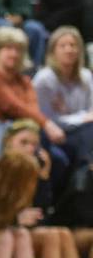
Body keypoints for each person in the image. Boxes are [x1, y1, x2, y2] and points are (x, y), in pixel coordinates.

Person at [2, 119, 88, 258]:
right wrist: (15, 219)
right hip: (7, 232)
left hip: (30, 231)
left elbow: (43, 213)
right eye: (23, 143)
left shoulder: (34, 172)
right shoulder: (0, 171)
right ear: (8, 142)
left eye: (34, 144)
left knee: (62, 233)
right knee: (51, 235)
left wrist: (43, 177)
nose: (30, 149)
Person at [0, 26, 65, 163]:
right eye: (8, 48)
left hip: (18, 130)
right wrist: (47, 124)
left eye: (18, 50)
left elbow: (32, 108)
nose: (14, 54)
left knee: (58, 159)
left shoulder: (24, 81)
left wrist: (43, 125)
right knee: (30, 150)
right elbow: (13, 106)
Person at [33, 26, 93, 168]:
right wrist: (82, 118)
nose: (69, 50)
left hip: (83, 130)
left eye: (73, 45)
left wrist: (81, 119)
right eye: (63, 46)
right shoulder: (44, 79)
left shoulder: (86, 75)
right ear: (53, 51)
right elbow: (46, 118)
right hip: (53, 134)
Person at [0, 0, 48, 65]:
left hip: (17, 20)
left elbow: (24, 5)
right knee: (5, 26)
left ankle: (34, 70)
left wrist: (21, 15)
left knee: (35, 28)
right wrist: (6, 15)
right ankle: (3, 67)